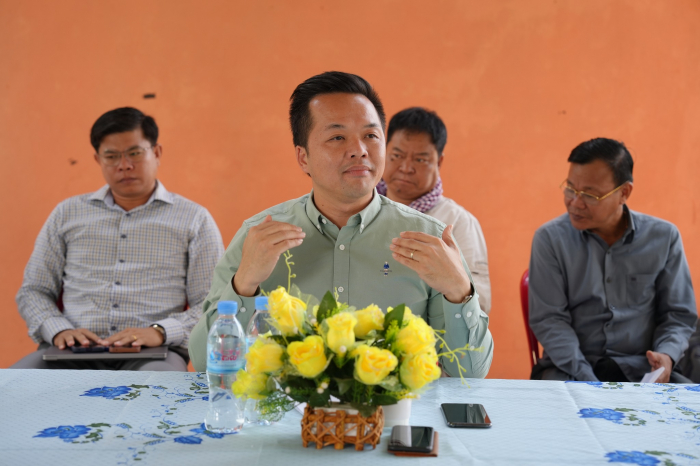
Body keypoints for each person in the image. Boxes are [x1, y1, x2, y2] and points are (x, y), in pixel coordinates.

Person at [189, 72, 493, 377]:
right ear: (303, 157)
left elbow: (470, 373)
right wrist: (244, 284)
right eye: (337, 137)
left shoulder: (429, 238)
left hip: (397, 406)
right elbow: (204, 364)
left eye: (371, 136)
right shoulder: (258, 236)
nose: (359, 149)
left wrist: (458, 291)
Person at [12, 107, 224, 371]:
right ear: (97, 159)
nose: (124, 165)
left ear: (157, 153)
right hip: (70, 350)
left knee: (159, 392)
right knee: (10, 388)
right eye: (111, 156)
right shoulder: (66, 214)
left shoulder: (194, 219)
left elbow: (213, 303)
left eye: (135, 153)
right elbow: (34, 290)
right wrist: (58, 330)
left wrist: (160, 331)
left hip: (152, 354)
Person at [529, 138, 697, 383]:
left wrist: (666, 355)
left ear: (624, 193)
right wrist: (589, 382)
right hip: (571, 369)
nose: (575, 202)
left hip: (643, 370)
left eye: (589, 194)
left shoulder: (664, 238)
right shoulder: (550, 239)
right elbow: (550, 321)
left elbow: (678, 314)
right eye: (570, 189)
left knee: (689, 405)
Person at [378, 107, 491, 313]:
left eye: (420, 160)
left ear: (439, 162)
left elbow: (480, 305)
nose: (406, 167)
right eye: (397, 155)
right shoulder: (359, 208)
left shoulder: (458, 222)